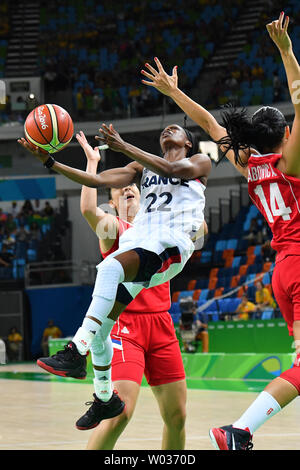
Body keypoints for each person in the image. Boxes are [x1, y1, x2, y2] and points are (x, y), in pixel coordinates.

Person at [140, 12, 300, 451]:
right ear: (287, 134)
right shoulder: (292, 165)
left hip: (282, 271)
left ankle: (240, 431)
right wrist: (286, 52)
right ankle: (239, 430)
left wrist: (175, 93)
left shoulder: (251, 167)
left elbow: (212, 125)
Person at [18, 118, 211, 430]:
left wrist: (122, 146)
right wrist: (52, 162)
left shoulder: (199, 160)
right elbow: (96, 182)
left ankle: (74, 350)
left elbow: (173, 172)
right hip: (144, 243)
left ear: (188, 142)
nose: (167, 130)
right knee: (101, 329)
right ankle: (105, 396)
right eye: (164, 129)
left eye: (175, 128)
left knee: (108, 269)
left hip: (170, 242)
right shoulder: (133, 183)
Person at [75, 130, 189, 448]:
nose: (127, 189)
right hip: (125, 327)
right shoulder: (115, 228)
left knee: (177, 416)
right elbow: (87, 210)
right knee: (120, 413)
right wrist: (92, 163)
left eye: (133, 188)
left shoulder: (163, 226)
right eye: (119, 190)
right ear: (111, 202)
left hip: (162, 325)